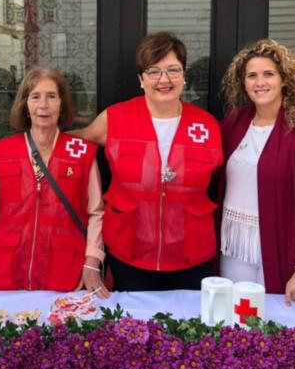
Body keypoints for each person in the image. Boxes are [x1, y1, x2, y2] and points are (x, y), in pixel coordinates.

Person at [74, 32, 222, 291]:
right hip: (130, 254)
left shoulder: (207, 126)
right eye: (153, 72)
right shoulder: (115, 118)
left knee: (188, 328)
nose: (164, 80)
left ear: (184, 76)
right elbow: (70, 146)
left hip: (191, 256)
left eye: (173, 70)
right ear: (141, 79)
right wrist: (30, 140)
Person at [219, 38, 295, 304]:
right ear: (243, 83)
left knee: (272, 325)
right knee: (231, 322)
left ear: (284, 79)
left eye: (268, 74)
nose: (260, 82)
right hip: (232, 246)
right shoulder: (235, 122)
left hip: (278, 246)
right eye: (252, 76)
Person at [0, 67, 107, 295]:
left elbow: (95, 212)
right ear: (25, 105)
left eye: (51, 96)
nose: (43, 105)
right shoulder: (2, 152)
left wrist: (92, 260)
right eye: (35, 97)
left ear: (62, 104)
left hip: (66, 269)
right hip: (6, 268)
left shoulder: (81, 153)